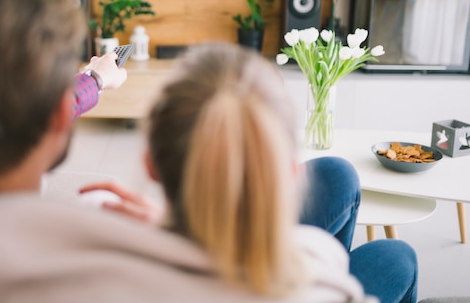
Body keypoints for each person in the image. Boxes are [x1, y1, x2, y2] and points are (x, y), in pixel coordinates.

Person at [0, 0, 374, 302]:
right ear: (57, 117)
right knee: (375, 236)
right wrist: (171, 228)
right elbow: (312, 278)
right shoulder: (91, 269)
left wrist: (94, 79)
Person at [80, 43, 418, 303]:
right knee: (395, 256)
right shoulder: (318, 263)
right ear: (288, 175)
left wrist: (169, 232)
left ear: (151, 164)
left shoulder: (93, 255)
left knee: (337, 174)